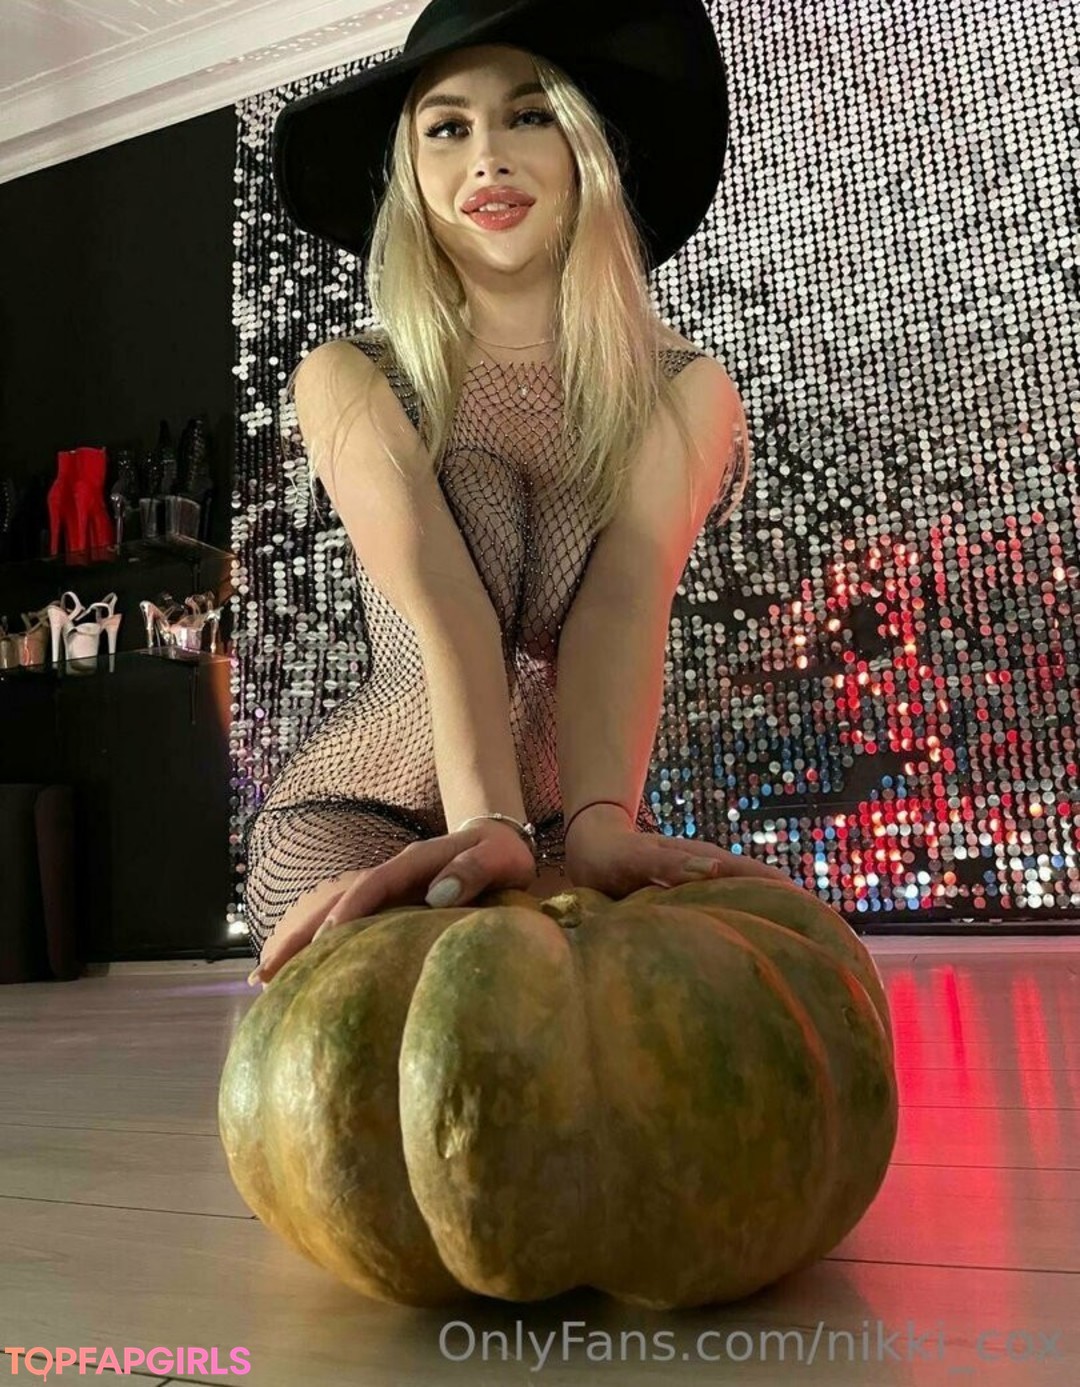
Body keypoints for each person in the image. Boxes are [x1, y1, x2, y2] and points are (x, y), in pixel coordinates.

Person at [245, 0, 777, 987]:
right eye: (447, 128)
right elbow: (441, 599)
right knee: (398, 996)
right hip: (356, 814)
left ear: (585, 151)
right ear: (412, 176)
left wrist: (602, 821)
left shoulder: (683, 390)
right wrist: (484, 821)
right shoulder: (353, 376)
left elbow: (624, 603)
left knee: (640, 1011)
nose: (486, 157)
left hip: (570, 822)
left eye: (528, 116)